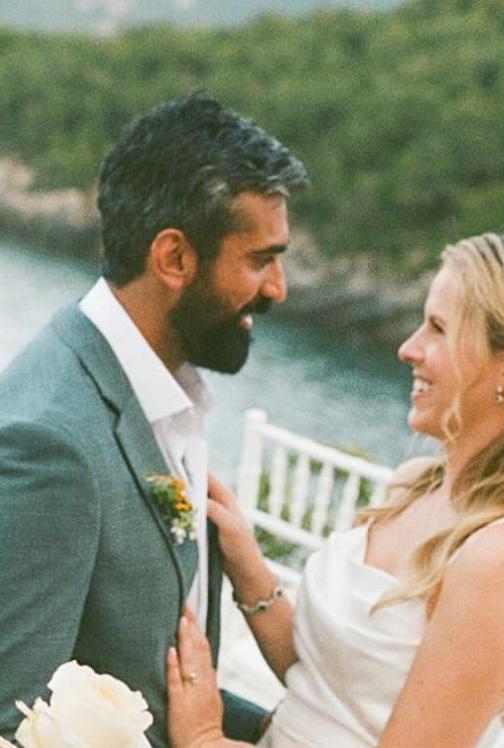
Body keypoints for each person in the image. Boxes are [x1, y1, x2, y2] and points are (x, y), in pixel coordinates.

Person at [164, 233, 504, 746]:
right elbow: (331, 687)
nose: (408, 349)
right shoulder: (414, 487)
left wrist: (206, 739)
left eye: (438, 329)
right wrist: (246, 565)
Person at [0, 92, 308, 746]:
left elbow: (146, 676)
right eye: (260, 259)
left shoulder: (163, 389)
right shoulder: (51, 443)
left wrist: (283, 732)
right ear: (173, 258)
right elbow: (12, 717)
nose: (278, 287)